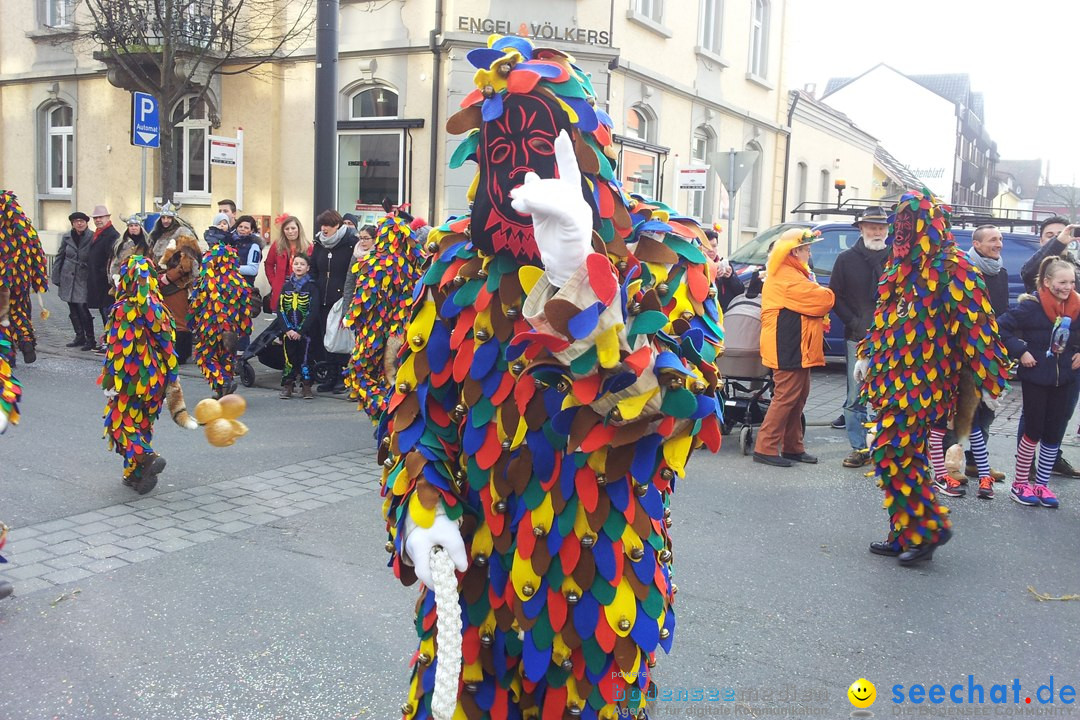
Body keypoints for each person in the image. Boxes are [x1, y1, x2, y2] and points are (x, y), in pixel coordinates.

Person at [377, 36, 725, 720]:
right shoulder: (454, 264)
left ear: (585, 147)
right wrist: (421, 510)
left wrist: (580, 284)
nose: (514, 171)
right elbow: (416, 411)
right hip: (473, 589)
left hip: (598, 593)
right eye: (495, 146)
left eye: (536, 142)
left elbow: (662, 416)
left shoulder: (664, 259)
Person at [857, 190, 1008, 565]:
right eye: (900, 225)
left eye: (910, 225)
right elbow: (883, 317)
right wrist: (866, 354)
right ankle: (904, 530)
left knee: (894, 450)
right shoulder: (898, 266)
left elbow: (979, 327)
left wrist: (990, 380)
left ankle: (928, 530)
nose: (902, 234)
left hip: (926, 383)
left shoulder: (953, 267)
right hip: (890, 377)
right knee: (895, 453)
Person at [98, 255, 188, 494]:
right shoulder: (161, 309)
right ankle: (136, 475)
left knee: (119, 425)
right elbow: (170, 349)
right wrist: (171, 380)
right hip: (157, 380)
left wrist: (110, 381)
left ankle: (146, 456)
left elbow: (119, 353)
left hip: (130, 380)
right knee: (142, 425)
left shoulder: (123, 309)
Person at [998, 256, 1080, 509]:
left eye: (1072, 282)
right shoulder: (1030, 306)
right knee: (1033, 430)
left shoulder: (1077, 307)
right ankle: (1020, 483)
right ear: (1047, 282)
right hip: (1036, 376)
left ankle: (1042, 484)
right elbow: (1000, 328)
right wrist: (1021, 350)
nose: (1067, 287)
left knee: (1054, 432)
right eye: (1062, 282)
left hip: (1065, 377)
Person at [935, 225, 1010, 493]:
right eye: (993, 240)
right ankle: (950, 464)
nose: (999, 244)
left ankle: (978, 462)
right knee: (961, 410)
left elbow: (1001, 310)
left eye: (1000, 239)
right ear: (976, 244)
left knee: (984, 412)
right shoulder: (963, 269)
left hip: (990, 349)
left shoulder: (999, 271)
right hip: (965, 349)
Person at [754, 228, 836, 467]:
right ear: (795, 251)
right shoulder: (787, 276)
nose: (810, 253)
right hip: (787, 344)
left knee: (798, 397)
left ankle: (793, 446)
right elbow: (824, 300)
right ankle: (765, 447)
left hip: (797, 344)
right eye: (807, 249)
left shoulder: (793, 273)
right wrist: (826, 292)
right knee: (786, 397)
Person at [1016, 215, 1080, 479]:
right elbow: (1028, 272)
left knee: (1061, 414)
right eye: (1049, 235)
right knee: (1032, 415)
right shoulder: (1039, 271)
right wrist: (1059, 240)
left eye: (1062, 234)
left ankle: (1052, 459)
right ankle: (1026, 467)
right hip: (1041, 359)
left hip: (1070, 360)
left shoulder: (1073, 272)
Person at [342, 214, 423, 421]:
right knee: (391, 375)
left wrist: (349, 318)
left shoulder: (373, 262)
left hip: (373, 329)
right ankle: (393, 415)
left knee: (358, 373)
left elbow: (363, 298)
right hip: (401, 330)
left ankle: (386, 412)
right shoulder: (412, 266)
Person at [829, 206, 891, 468]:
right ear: (861, 229)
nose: (877, 232)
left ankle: (885, 445)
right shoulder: (846, 259)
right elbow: (835, 297)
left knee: (888, 394)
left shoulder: (896, 258)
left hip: (892, 340)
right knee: (856, 396)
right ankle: (859, 447)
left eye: (881, 228)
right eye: (872, 227)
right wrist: (854, 322)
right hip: (858, 337)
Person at [189, 225, 252, 398]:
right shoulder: (239, 282)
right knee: (226, 356)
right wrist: (242, 329)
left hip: (211, 325)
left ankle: (222, 383)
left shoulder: (208, 280)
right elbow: (245, 309)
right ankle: (223, 390)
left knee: (205, 356)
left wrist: (192, 323)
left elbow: (198, 303)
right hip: (231, 327)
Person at [309, 209, 358, 393]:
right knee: (326, 337)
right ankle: (330, 375)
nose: (324, 229)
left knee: (340, 337)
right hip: (322, 295)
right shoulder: (319, 243)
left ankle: (342, 377)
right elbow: (313, 267)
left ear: (337, 226)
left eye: (328, 225)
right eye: (322, 225)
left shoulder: (350, 243)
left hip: (340, 297)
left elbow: (352, 272)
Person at [0, 190, 49, 365]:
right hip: (20, 276)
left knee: (3, 314)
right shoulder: (24, 226)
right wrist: (37, 277)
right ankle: (26, 343)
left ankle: (7, 355)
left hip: (3, 277)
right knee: (19, 310)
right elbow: (35, 248)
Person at [276, 254, 320, 400]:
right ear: (292, 266)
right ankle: (288, 384)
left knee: (306, 358)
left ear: (307, 268)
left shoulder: (312, 287)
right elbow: (280, 308)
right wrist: (287, 329)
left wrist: (300, 330)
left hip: (305, 333)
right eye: (296, 264)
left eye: (302, 264)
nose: (298, 266)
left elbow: (313, 311)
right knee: (289, 358)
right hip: (288, 332)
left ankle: (306, 385)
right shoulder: (286, 286)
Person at [52, 211, 97, 351]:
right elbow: (60, 256)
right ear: (72, 223)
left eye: (82, 221)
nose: (79, 223)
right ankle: (79, 336)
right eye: (76, 221)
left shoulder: (92, 236)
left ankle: (90, 339)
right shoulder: (66, 237)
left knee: (83, 308)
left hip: (83, 277)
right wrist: (56, 275)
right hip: (67, 276)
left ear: (86, 223)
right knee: (72, 309)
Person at [158, 232, 203, 364]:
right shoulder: (176, 252)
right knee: (174, 320)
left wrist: (167, 277)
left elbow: (184, 268)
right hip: (173, 290)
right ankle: (176, 352)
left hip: (178, 289)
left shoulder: (185, 255)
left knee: (180, 322)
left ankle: (181, 354)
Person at [264, 214, 312, 312]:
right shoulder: (277, 245)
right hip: (281, 287)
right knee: (280, 319)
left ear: (299, 229)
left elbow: (312, 268)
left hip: (301, 286)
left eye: (293, 228)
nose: (290, 231)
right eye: (287, 229)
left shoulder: (308, 247)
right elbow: (269, 264)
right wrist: (273, 282)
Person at [87, 205, 119, 350]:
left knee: (108, 312)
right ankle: (107, 340)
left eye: (101, 217)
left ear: (108, 218)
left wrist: (104, 274)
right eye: (96, 218)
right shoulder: (99, 233)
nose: (98, 220)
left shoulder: (112, 235)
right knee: (103, 311)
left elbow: (111, 259)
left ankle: (110, 342)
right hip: (98, 281)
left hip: (106, 282)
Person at [340, 224, 376, 307]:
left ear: (374, 239)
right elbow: (350, 280)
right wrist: (346, 306)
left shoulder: (378, 255)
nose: (362, 241)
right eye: (361, 238)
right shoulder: (356, 254)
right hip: (356, 300)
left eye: (366, 238)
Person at [108, 216, 150, 286]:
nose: (133, 228)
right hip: (123, 281)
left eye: (136, 225)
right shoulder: (120, 244)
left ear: (140, 227)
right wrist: (115, 276)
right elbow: (115, 263)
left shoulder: (147, 244)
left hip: (143, 281)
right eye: (131, 226)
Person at [229, 215, 263, 288]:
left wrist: (231, 269)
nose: (242, 229)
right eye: (240, 226)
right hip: (229, 285)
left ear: (252, 230)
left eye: (246, 228)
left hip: (245, 287)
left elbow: (253, 270)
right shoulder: (230, 242)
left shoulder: (254, 246)